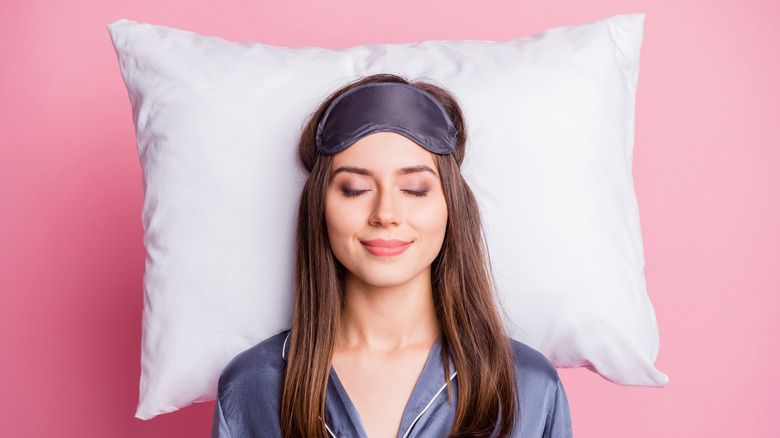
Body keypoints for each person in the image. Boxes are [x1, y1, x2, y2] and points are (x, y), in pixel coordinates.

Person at [211, 74, 572, 438]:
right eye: (355, 189)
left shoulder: (529, 386)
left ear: (451, 207)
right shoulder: (251, 387)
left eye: (414, 189)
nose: (385, 213)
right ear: (319, 207)